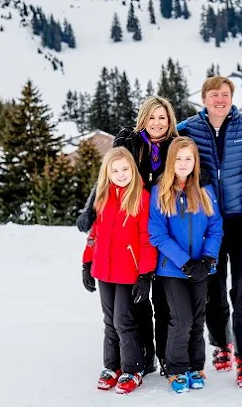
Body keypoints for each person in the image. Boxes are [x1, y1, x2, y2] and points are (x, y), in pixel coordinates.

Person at [77, 96, 178, 375]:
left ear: (170, 120)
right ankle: (143, 359)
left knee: (164, 302)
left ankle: (169, 357)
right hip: (133, 222)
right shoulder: (128, 141)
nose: (157, 123)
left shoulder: (175, 145)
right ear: (142, 118)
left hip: (165, 226)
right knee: (138, 305)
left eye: (162, 117)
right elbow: (107, 175)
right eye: (152, 117)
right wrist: (90, 210)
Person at [177, 76, 242, 387]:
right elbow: (161, 153)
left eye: (225, 95)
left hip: (241, 223)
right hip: (207, 224)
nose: (220, 100)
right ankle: (222, 344)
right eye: (214, 95)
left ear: (231, 97)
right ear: (204, 99)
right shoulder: (187, 129)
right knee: (213, 290)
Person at [148, 137, 223, 394]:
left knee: (198, 318)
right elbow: (157, 234)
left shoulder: (204, 190)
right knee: (181, 320)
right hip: (172, 269)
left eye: (188, 158)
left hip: (202, 267)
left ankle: (195, 366)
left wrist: (207, 259)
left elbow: (216, 228)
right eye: (178, 158)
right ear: (171, 161)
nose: (183, 163)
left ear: (195, 161)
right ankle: (176, 368)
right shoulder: (160, 191)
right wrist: (185, 262)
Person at [79, 147, 157, 394]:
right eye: (115, 170)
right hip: (103, 269)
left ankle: (133, 368)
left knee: (124, 320)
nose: (121, 174)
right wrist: (87, 263)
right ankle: (112, 366)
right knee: (109, 320)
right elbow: (94, 235)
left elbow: (147, 239)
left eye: (125, 169)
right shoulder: (103, 197)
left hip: (128, 272)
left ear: (132, 170)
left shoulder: (142, 197)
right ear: (107, 173)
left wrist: (145, 275)